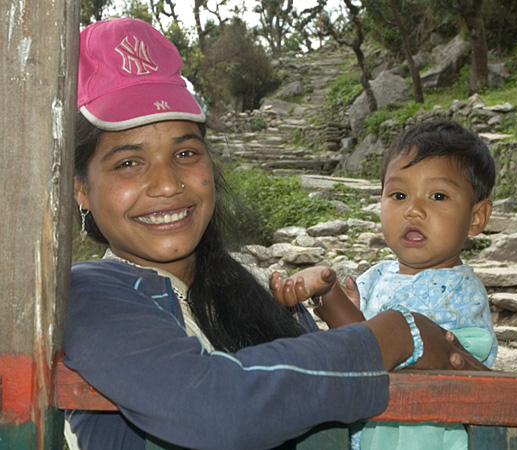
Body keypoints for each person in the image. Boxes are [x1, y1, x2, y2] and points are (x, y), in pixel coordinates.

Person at [63, 18, 488, 450]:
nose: (168, 184)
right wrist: (396, 333)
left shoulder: (255, 293)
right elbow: (215, 407)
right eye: (128, 163)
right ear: (80, 187)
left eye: (185, 152)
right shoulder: (87, 296)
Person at [270, 120, 498, 450]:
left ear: (476, 217)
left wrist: (332, 297)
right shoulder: (376, 277)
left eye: (438, 196)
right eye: (399, 195)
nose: (413, 210)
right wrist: (328, 294)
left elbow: (374, 348)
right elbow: (355, 341)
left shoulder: (461, 292)